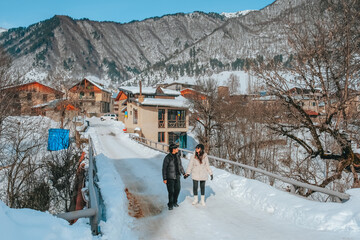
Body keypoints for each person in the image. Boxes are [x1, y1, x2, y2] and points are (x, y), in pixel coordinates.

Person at [162, 143, 187, 210]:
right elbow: (164, 168)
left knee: (177, 189)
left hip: (177, 176)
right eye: (176, 148)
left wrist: (184, 173)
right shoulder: (167, 157)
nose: (177, 149)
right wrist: (164, 178)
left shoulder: (178, 156)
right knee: (171, 191)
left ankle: (175, 202)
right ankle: (170, 204)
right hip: (170, 177)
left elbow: (180, 166)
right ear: (173, 149)